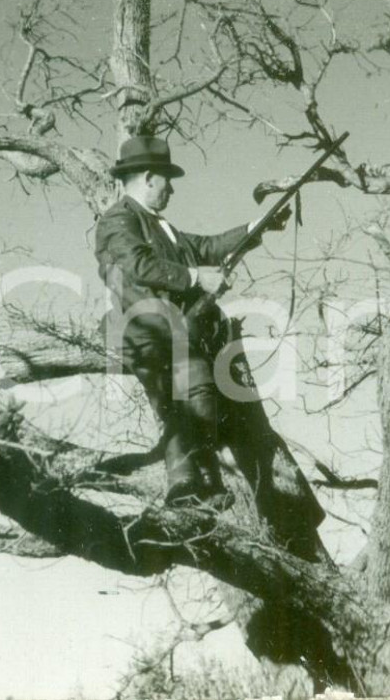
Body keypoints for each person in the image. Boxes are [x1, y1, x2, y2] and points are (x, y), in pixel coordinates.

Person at [95, 135, 288, 508]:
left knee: (200, 398)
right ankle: (185, 488)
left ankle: (202, 485)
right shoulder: (119, 219)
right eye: (167, 180)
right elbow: (140, 265)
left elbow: (208, 246)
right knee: (193, 392)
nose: (171, 190)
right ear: (149, 177)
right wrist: (198, 277)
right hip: (145, 329)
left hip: (171, 329)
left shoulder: (162, 227)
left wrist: (257, 227)